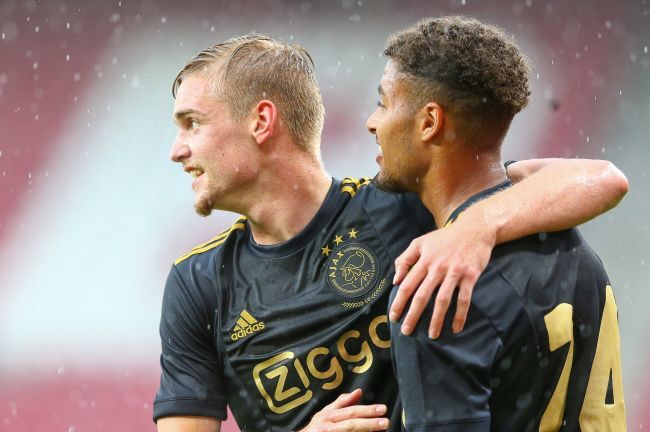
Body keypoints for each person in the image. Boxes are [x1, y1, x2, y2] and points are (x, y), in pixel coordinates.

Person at [153, 34, 628, 432]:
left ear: (261, 121)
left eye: (192, 123)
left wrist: (475, 228)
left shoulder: (404, 207)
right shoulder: (198, 284)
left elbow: (600, 179)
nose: (177, 150)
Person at [366, 16, 627, 431]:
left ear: (429, 122)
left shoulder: (439, 288)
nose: (372, 121)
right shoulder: (573, 248)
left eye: (383, 103)